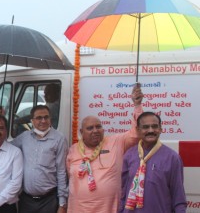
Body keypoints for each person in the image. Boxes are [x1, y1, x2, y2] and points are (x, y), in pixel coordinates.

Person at [66, 84, 144, 213]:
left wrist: (137, 106)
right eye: (90, 128)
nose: (95, 131)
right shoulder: (73, 150)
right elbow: (69, 175)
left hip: (108, 208)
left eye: (98, 127)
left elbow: (136, 134)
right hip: (78, 209)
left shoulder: (115, 142)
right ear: (81, 132)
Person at [119, 112, 186, 213]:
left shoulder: (172, 158)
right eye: (145, 127)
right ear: (138, 130)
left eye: (154, 126)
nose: (150, 130)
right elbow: (123, 192)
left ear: (160, 129)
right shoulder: (129, 156)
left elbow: (178, 196)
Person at [12, 105, 68, 213]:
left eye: (46, 117)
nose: (43, 121)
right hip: (26, 200)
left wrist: (62, 203)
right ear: (32, 120)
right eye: (39, 118)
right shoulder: (24, 137)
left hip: (48, 200)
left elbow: (61, 172)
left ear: (50, 119)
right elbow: (7, 149)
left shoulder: (59, 138)